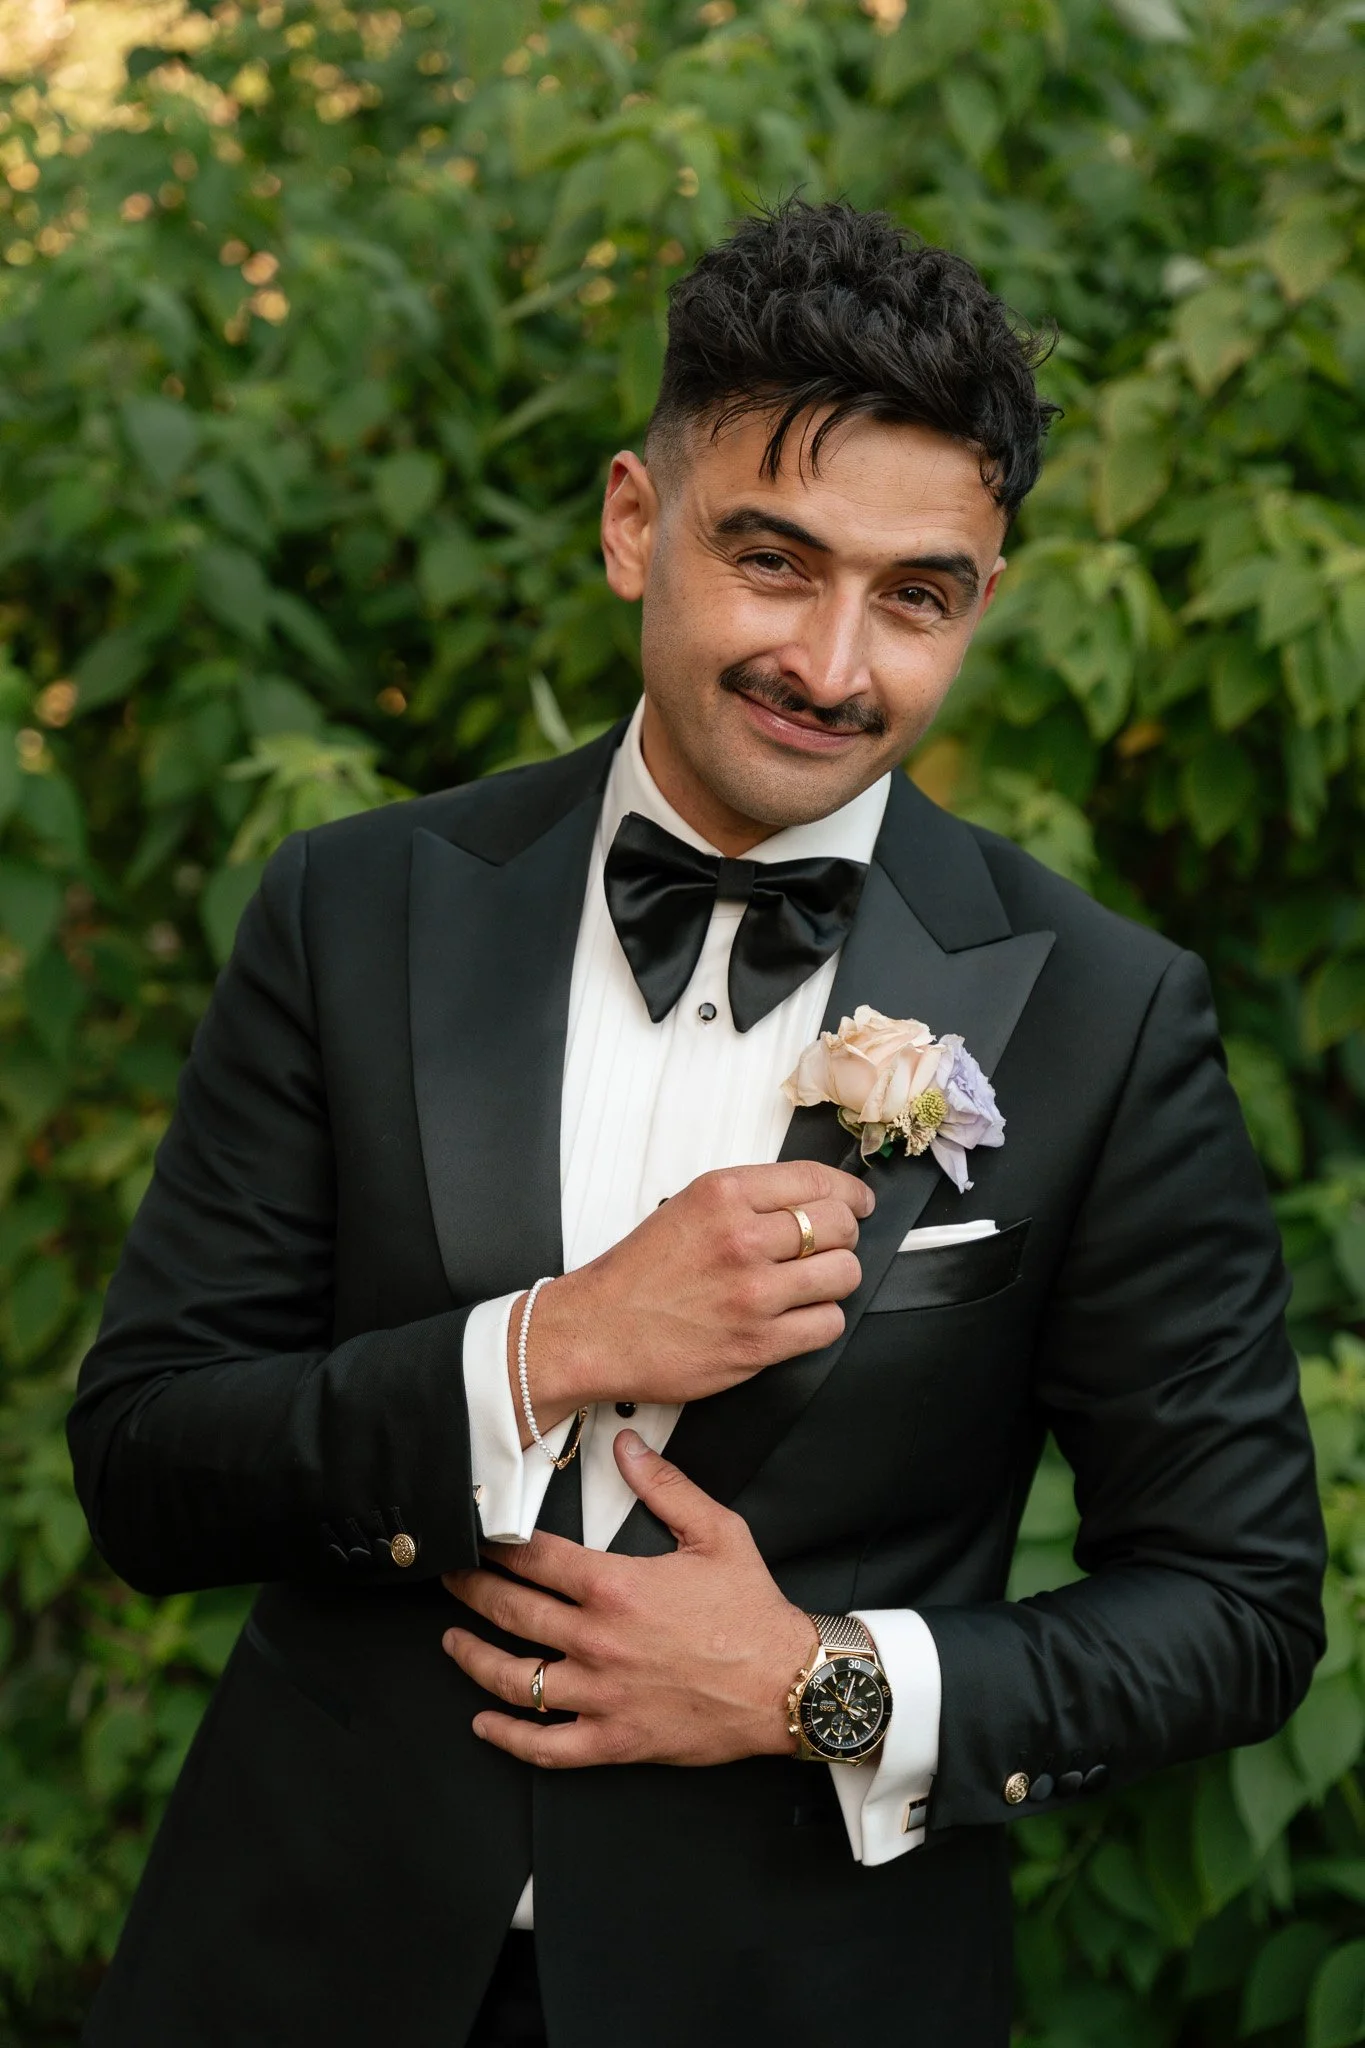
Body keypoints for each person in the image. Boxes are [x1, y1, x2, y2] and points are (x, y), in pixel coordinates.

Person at [68, 200, 1324, 2048]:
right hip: (296, 1970)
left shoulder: (1104, 1015)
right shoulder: (356, 908)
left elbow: (1236, 1610)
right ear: (631, 523)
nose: (834, 663)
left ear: (980, 601)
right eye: (774, 560)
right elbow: (148, 1460)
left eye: (917, 595)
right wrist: (551, 1346)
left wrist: (821, 1685)